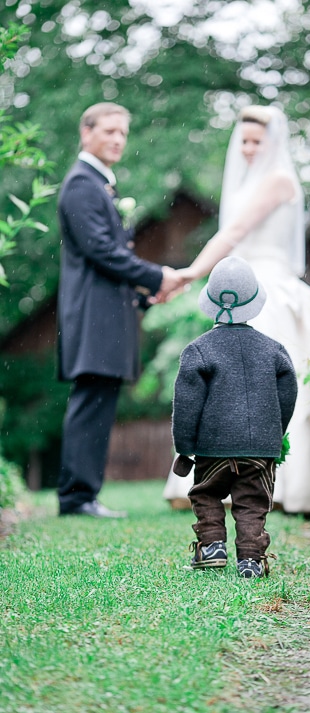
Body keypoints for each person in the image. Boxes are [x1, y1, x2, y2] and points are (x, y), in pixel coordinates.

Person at [162, 105, 310, 515]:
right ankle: (224, 476)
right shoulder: (251, 183)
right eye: (243, 141)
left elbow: (233, 233)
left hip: (269, 289)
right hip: (246, 283)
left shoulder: (278, 181)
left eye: (256, 142)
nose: (248, 149)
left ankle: (285, 486)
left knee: (275, 385)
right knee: (229, 389)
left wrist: (191, 273)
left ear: (273, 143)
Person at [57, 102, 184, 518]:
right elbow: (102, 252)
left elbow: (109, 258)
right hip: (93, 317)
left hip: (108, 313)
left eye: (122, 133)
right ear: (86, 132)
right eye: (108, 131)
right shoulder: (81, 185)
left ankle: (83, 495)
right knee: (91, 401)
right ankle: (76, 498)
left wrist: (146, 294)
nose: (116, 139)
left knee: (100, 401)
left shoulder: (100, 185)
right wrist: (157, 276)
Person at [172, 256, 296, 578]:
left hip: (213, 447)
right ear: (254, 304)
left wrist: (185, 446)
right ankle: (251, 559)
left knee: (207, 493)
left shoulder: (198, 351)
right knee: (252, 502)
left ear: (210, 304)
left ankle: (212, 545)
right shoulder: (275, 350)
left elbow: (186, 404)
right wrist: (275, 433)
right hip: (260, 451)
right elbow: (288, 394)